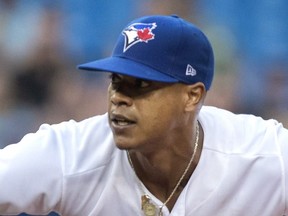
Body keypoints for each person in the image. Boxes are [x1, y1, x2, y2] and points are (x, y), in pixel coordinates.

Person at [0, 15, 287, 216]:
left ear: (192, 96)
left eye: (140, 84)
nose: (118, 97)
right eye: (116, 80)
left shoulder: (264, 154)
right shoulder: (72, 153)